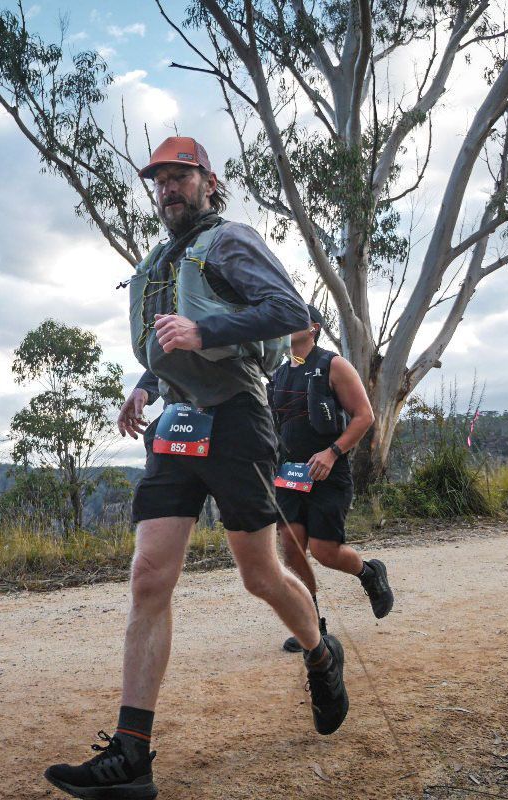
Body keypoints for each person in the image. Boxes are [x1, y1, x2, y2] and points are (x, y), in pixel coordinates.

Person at [43, 137, 349, 800]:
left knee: (260, 576)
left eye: (180, 176)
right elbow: (167, 345)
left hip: (238, 418)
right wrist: (143, 388)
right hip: (179, 422)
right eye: (159, 180)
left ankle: (322, 654)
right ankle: (132, 755)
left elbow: (289, 311)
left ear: (209, 182)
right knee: (149, 575)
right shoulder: (161, 262)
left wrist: (203, 334)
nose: (168, 188)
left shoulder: (230, 241)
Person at [271, 305, 394, 653]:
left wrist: (332, 452)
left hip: (329, 471)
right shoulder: (279, 374)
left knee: (325, 552)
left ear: (313, 327)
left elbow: (364, 415)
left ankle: (369, 573)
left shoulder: (333, 365)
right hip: (290, 474)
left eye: (294, 318)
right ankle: (311, 626)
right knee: (291, 547)